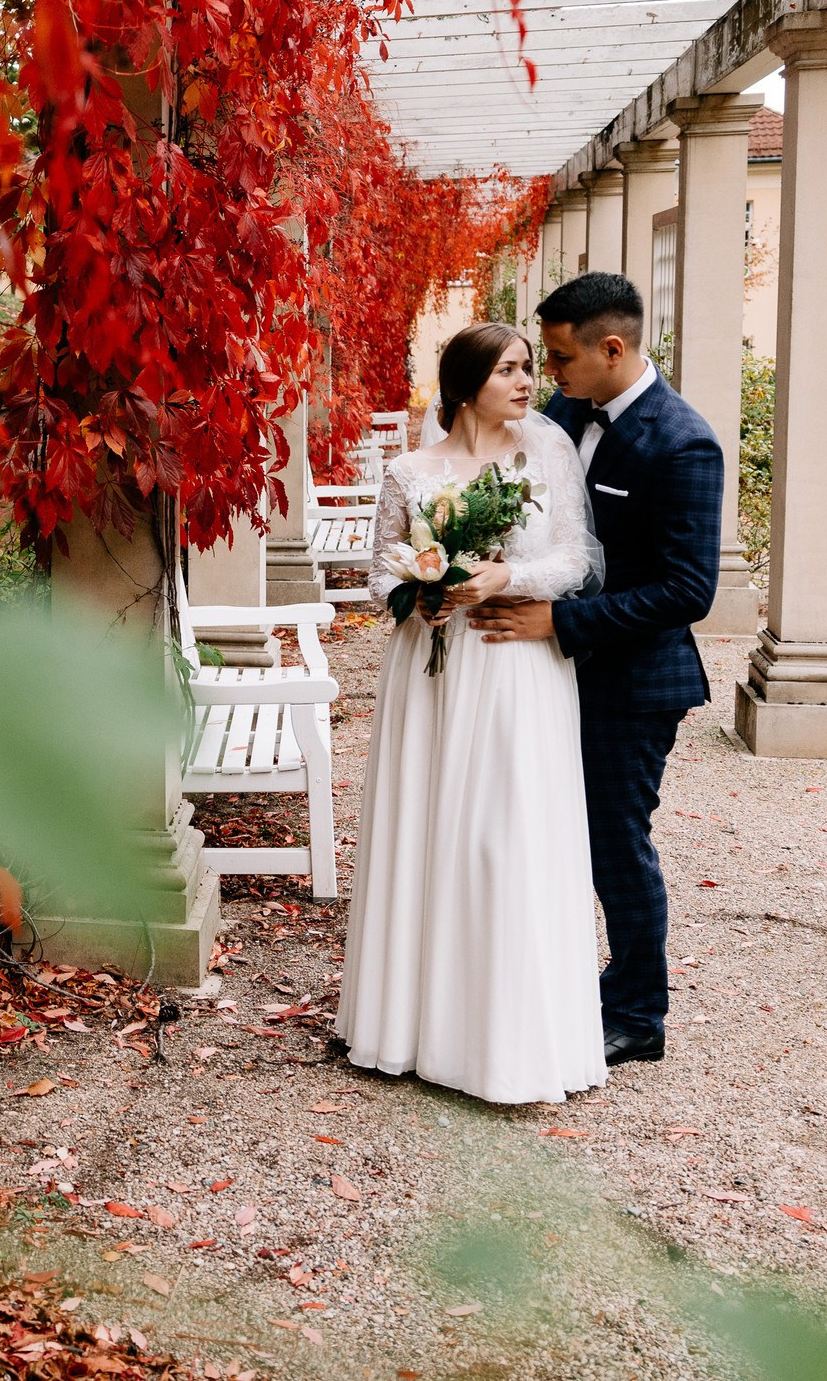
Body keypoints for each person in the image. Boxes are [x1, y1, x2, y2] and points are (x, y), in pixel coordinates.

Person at [336, 322, 607, 1105]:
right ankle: (412, 1025)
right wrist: (426, 591)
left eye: (529, 368)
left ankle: (512, 1036)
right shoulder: (409, 470)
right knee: (428, 829)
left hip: (518, 664)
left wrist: (503, 577)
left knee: (507, 833)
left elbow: (574, 559)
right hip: (434, 669)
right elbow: (373, 579)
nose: (527, 381)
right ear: (465, 384)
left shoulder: (547, 452)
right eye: (510, 370)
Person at [470, 273, 723, 1067]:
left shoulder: (683, 441)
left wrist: (563, 619)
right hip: (553, 675)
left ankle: (640, 1012)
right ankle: (552, 985)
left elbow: (690, 590)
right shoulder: (564, 414)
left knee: (616, 844)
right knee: (544, 830)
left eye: (559, 359)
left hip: (636, 684)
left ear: (611, 348)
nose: (548, 376)